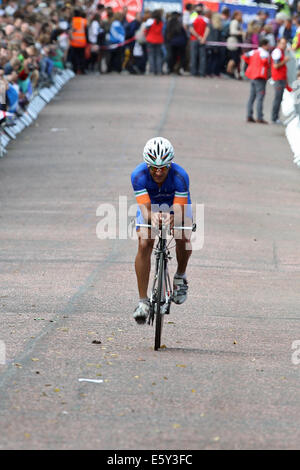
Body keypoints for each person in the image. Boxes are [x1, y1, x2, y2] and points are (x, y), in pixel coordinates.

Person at [131, 137, 192, 324]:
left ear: (170, 165)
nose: (158, 172)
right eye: (154, 168)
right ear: (147, 165)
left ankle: (180, 277)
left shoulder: (180, 176)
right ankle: (143, 303)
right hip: (151, 206)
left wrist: (175, 219)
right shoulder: (138, 175)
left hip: (176, 205)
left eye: (163, 168)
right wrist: (153, 217)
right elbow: (145, 210)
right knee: (144, 243)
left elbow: (180, 211)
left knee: (182, 235)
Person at [242, 38, 270, 124]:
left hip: (252, 75)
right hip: (260, 76)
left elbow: (245, 56)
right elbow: (265, 63)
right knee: (260, 98)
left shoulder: (253, 52)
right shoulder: (265, 53)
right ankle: (259, 117)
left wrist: (251, 63)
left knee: (252, 97)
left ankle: (249, 115)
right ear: (264, 45)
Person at [271, 37, 290, 123]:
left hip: (281, 77)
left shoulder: (281, 52)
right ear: (278, 43)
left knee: (279, 98)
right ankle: (274, 117)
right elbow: (276, 66)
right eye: (282, 43)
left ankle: (275, 117)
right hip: (278, 78)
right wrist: (284, 61)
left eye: (285, 43)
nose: (284, 45)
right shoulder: (277, 52)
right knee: (277, 98)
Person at [189, 6, 209, 76]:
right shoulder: (206, 19)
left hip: (194, 39)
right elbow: (207, 29)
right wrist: (203, 38)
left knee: (193, 57)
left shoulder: (192, 19)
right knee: (202, 57)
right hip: (202, 40)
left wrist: (198, 37)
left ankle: (193, 72)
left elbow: (191, 29)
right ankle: (202, 72)